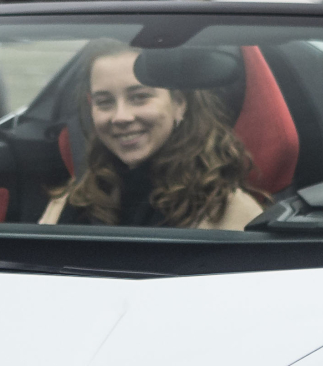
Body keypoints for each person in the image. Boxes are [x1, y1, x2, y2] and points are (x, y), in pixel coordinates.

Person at [42, 47, 262, 230]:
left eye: (139, 97)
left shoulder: (228, 212)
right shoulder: (76, 198)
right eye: (105, 102)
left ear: (179, 103)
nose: (121, 117)